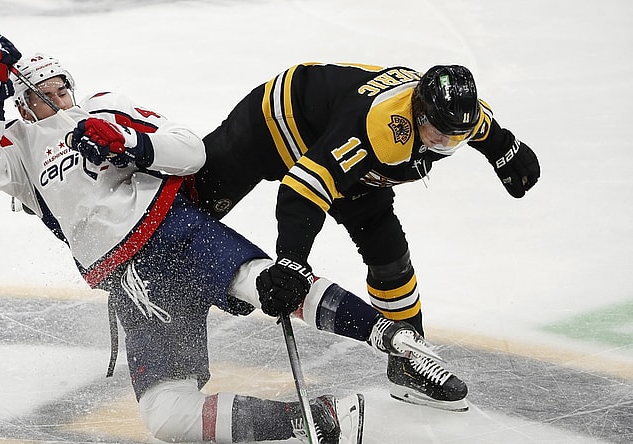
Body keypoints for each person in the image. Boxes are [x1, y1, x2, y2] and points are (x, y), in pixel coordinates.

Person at [0, 31, 458, 443]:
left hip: (175, 231)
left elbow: (190, 151)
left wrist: (132, 144)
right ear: (20, 107)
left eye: (60, 87)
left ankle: (400, 343)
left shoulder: (103, 108)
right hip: (132, 284)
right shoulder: (18, 149)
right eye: (39, 95)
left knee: (271, 284)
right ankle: (311, 419)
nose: (55, 99)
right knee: (166, 415)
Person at [194, 62, 541, 412]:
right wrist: (292, 259)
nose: (443, 144)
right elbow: (304, 188)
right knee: (193, 203)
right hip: (275, 124)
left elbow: (481, 128)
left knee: (389, 253)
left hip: (355, 160)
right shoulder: (380, 128)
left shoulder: (455, 115)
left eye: (455, 139)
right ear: (418, 112)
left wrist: (504, 148)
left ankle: (407, 358)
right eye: (439, 134)